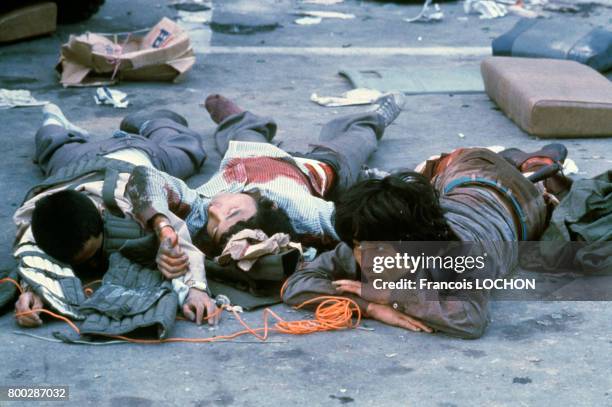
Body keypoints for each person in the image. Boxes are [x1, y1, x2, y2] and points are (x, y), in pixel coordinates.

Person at [281, 143, 570, 339]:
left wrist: (393, 296)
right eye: (358, 246)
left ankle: (537, 162)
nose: (364, 257)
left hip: (517, 201)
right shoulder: (366, 241)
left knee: (538, 180)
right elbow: (297, 285)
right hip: (461, 180)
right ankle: (521, 161)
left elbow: (470, 318)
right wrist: (368, 306)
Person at [125, 92, 406, 263]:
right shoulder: (302, 212)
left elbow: (145, 177)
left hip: (246, 153)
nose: (214, 209)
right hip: (316, 168)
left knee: (244, 131)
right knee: (357, 142)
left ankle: (239, 119)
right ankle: (375, 119)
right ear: (269, 205)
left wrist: (162, 225)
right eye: (230, 212)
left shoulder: (199, 210)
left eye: (214, 224)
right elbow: (356, 227)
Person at [13, 103, 219, 328]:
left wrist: (195, 289)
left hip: (133, 154)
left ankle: (149, 120)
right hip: (75, 161)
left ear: (102, 215)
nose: (94, 266)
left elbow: (178, 234)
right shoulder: (39, 224)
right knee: (51, 146)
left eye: (94, 254)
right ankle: (52, 119)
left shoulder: (132, 196)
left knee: (187, 149)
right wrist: (31, 293)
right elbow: (33, 256)